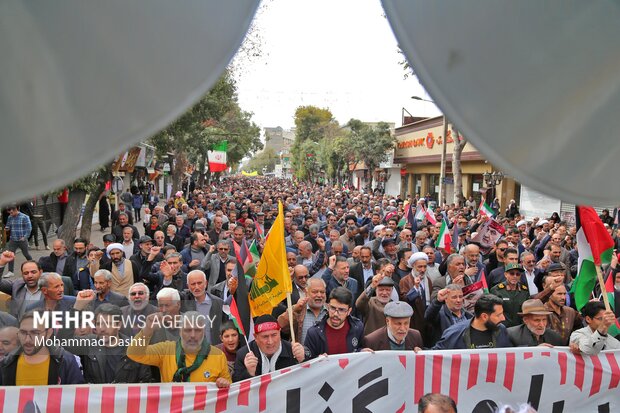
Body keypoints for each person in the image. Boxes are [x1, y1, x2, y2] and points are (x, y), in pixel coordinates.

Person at [128, 311, 231, 384]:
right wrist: (147, 330)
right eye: (188, 330)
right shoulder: (166, 350)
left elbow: (228, 388)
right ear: (180, 332)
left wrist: (224, 383)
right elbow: (134, 354)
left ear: (204, 332)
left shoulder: (218, 355)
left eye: (198, 330)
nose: (193, 335)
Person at [65, 304, 153, 383]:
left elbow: (145, 381)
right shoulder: (89, 343)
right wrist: (76, 308)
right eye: (99, 324)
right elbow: (64, 341)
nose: (102, 329)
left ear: (118, 325)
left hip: (125, 400)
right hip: (96, 399)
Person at [0, 311, 84, 385]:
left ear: (49, 333)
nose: (27, 340)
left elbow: (78, 397)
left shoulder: (65, 361)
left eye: (35, 333)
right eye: (23, 332)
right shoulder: (6, 363)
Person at [232, 315, 305, 382]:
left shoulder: (292, 350)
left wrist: (303, 360)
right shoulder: (244, 354)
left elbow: (309, 378)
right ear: (256, 337)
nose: (270, 342)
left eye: (274, 335)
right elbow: (235, 387)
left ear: (279, 333)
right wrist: (249, 373)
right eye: (265, 337)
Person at [304, 286, 366, 359]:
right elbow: (307, 361)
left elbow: (358, 350)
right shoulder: (313, 333)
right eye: (333, 308)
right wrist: (318, 360)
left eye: (341, 310)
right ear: (327, 306)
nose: (336, 314)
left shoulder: (358, 327)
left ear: (349, 311)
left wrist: (362, 351)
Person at [432, 294, 512, 350]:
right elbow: (435, 355)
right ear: (484, 316)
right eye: (498, 315)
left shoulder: (501, 330)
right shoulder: (454, 334)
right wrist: (420, 352)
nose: (503, 318)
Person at [179, 270, 224, 345]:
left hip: (214, 350)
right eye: (193, 284)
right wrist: (168, 279)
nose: (197, 287)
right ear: (188, 286)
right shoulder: (184, 301)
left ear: (206, 283)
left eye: (199, 283)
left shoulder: (219, 303)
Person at [278, 278, 328, 344]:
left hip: (326, 353)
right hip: (301, 353)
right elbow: (281, 326)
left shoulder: (330, 310)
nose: (319, 295)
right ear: (306, 292)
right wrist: (294, 310)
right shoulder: (298, 309)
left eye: (322, 292)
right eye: (315, 292)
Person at [489, 263, 530, 327]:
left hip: (519, 327)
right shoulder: (496, 290)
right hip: (502, 327)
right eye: (512, 273)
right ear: (505, 274)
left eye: (518, 274)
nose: (515, 276)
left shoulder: (524, 291)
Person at [4, 204, 32, 275]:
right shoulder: (10, 217)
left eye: (11, 212)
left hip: (22, 240)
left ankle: (33, 266)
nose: (10, 214)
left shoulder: (25, 217)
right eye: (9, 213)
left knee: (26, 254)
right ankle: (10, 271)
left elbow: (29, 228)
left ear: (16, 210)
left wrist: (25, 237)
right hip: (13, 240)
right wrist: (6, 228)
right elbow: (8, 226)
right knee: (10, 255)